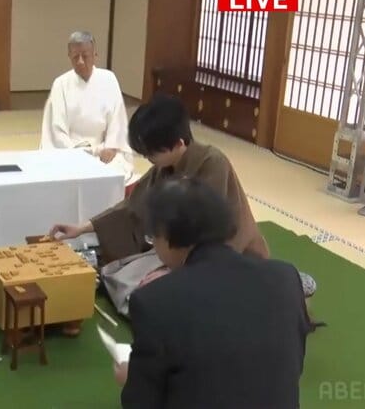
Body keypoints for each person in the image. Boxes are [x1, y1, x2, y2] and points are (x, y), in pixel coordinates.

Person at [116, 178, 310, 409]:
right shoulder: (285, 278)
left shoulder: (154, 300)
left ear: (165, 236)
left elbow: (141, 402)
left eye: (152, 238)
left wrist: (132, 378)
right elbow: (291, 367)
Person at [49, 93, 269, 265]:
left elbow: (207, 230)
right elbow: (132, 206)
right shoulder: (164, 167)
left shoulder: (212, 163)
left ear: (178, 144)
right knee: (120, 273)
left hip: (227, 256)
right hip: (180, 251)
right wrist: (82, 228)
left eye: (151, 153)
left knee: (137, 280)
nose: (148, 158)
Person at [40, 31, 137, 187]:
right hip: (71, 152)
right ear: (69, 56)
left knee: (115, 171)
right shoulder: (61, 84)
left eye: (85, 56)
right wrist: (78, 153)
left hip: (104, 149)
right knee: (64, 174)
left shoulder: (109, 79)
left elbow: (117, 120)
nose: (80, 61)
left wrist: (111, 147)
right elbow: (56, 130)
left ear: (94, 55)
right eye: (75, 57)